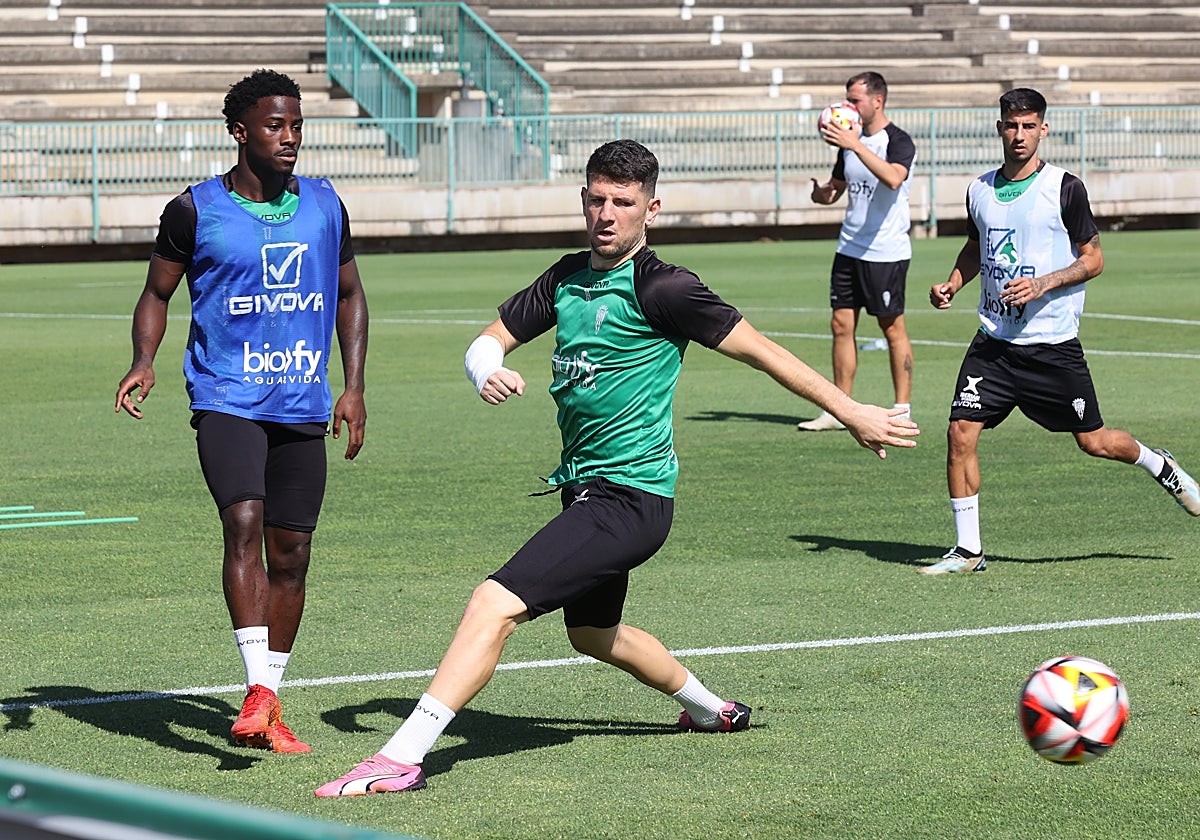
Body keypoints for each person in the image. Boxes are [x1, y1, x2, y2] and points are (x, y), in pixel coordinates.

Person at [314, 139, 918, 797]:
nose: (607, 214)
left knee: (492, 604)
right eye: (597, 199)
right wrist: (487, 368)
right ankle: (710, 709)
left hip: (630, 500)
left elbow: (765, 353)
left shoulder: (665, 288)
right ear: (583, 199)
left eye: (623, 203)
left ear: (650, 209)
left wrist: (851, 410)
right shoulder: (568, 275)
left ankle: (402, 756)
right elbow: (488, 339)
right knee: (594, 634)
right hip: (585, 492)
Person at [115, 68, 369, 749]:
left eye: (296, 126)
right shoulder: (194, 210)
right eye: (273, 126)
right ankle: (258, 690)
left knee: (292, 553)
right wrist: (144, 360)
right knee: (245, 523)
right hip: (226, 397)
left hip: (302, 402)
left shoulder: (323, 205)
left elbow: (350, 294)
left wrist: (354, 385)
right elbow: (156, 293)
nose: (288, 139)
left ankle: (268, 701)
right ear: (239, 132)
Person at [921, 87, 1199, 575]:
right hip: (994, 344)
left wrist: (1044, 283)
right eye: (1012, 126)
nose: (1020, 135)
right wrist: (953, 283)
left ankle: (1161, 465)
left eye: (1030, 126)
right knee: (960, 432)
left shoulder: (1065, 188)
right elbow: (975, 247)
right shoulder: (978, 190)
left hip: (1051, 347)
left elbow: (1093, 259)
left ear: (1043, 129)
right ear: (1000, 128)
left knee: (1094, 442)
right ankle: (968, 551)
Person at [799, 71, 916, 432]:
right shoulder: (847, 145)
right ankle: (838, 409)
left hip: (885, 251)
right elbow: (836, 188)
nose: (848, 106)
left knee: (891, 327)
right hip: (849, 247)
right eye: (847, 99)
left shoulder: (898, 141)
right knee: (840, 325)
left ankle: (902, 408)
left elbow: (894, 178)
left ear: (877, 101)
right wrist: (822, 193)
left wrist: (855, 145)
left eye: (855, 100)